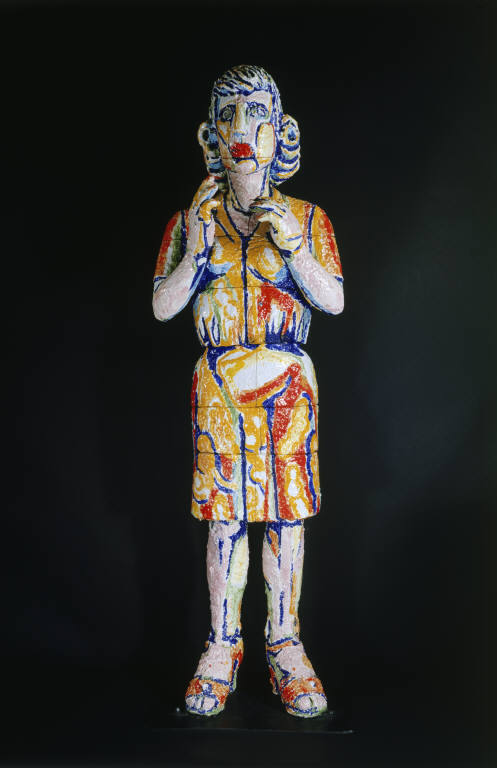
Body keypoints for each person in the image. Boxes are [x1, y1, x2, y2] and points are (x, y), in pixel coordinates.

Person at [152, 65, 344, 718]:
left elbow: (333, 299)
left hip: (288, 386)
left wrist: (292, 248)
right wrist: (196, 251)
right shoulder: (193, 220)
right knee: (225, 520)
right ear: (210, 134)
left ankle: (285, 642)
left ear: (279, 132)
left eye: (256, 113)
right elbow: (162, 306)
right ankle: (222, 643)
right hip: (219, 387)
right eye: (228, 115)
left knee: (286, 518)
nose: (242, 128)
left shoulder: (306, 218)